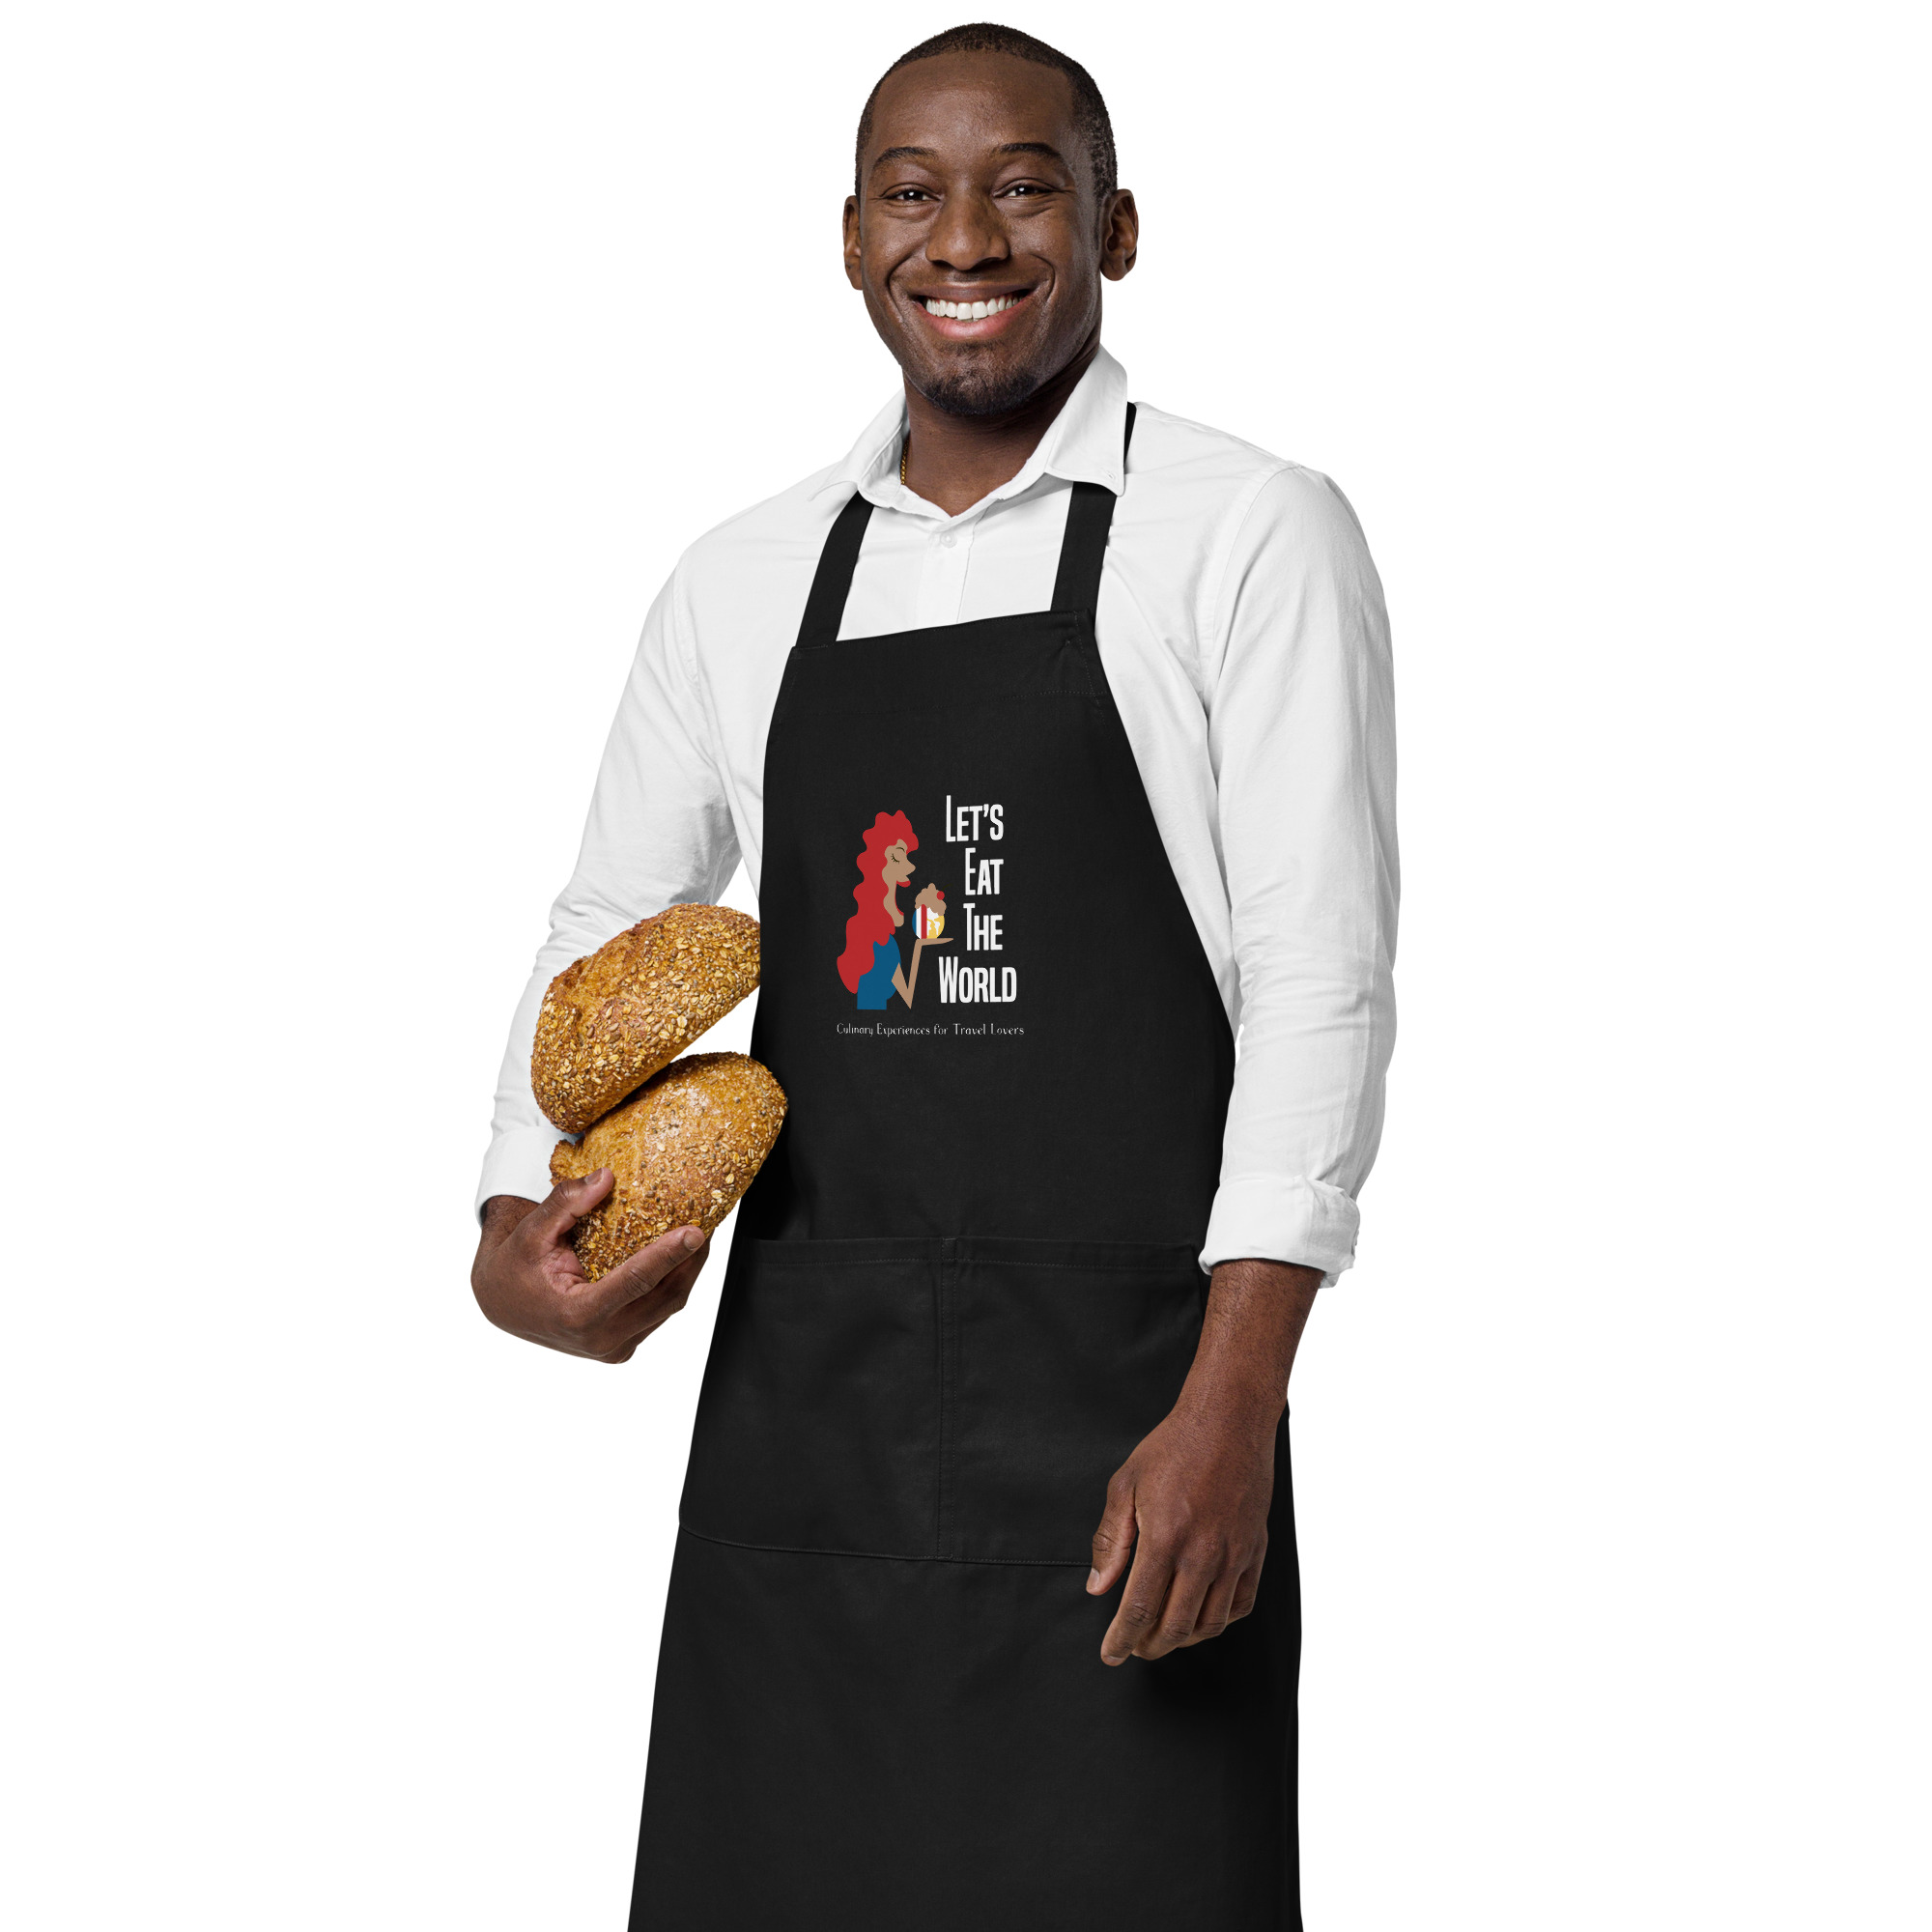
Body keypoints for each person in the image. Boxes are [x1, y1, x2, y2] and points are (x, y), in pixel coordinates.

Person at [470, 22, 1397, 1929]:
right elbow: (608, 925)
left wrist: (1234, 1412)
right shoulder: (741, 577)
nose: (962, 237)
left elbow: (1321, 983)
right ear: (849, 237)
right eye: (912, 191)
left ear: (1116, 226)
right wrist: (511, 1228)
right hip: (805, 1447)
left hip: (1135, 1435)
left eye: (1023, 185)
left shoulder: (1248, 529)